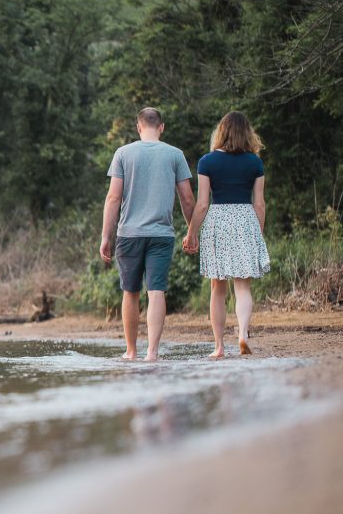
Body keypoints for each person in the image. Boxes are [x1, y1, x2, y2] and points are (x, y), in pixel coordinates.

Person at [100, 107, 195, 361]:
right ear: (161, 127)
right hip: (161, 234)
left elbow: (113, 197)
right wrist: (192, 230)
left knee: (130, 292)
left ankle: (131, 352)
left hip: (129, 234)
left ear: (138, 127)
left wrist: (106, 236)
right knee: (156, 291)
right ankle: (152, 352)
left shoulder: (123, 153)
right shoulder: (175, 155)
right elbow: (187, 198)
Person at [183, 111, 270, 358]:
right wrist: (258, 232)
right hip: (245, 219)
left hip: (218, 219)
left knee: (217, 287)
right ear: (247, 133)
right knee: (243, 285)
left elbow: (201, 204)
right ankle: (242, 333)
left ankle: (219, 346)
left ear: (220, 132)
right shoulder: (255, 162)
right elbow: (260, 204)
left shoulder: (207, 161)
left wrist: (191, 233)